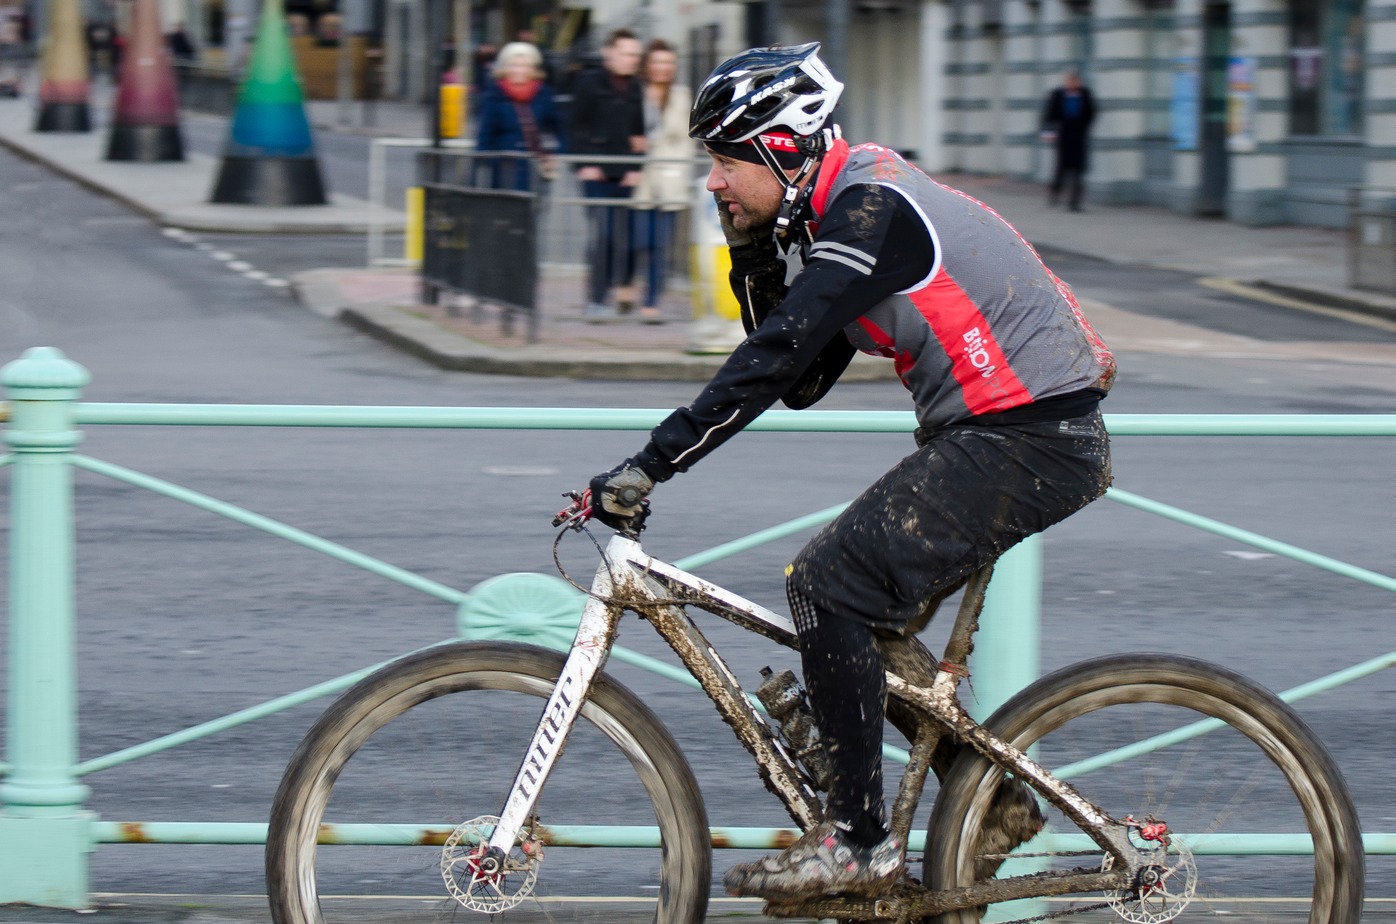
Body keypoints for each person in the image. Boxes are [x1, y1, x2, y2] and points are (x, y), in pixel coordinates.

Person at [586, 43, 1116, 901]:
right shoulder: (845, 213)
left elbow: (776, 356)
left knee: (826, 586)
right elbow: (802, 379)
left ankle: (858, 841)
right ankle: (1000, 807)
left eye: (724, 160)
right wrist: (751, 251)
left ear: (783, 149)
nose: (712, 182)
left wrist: (652, 464)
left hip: (1029, 437)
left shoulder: (872, 212)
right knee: (854, 611)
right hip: (1000, 433)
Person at [568, 28, 646, 321]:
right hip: (596, 174)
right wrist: (584, 164)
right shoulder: (589, 82)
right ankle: (597, 297)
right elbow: (575, 126)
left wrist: (636, 167)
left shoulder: (636, 87)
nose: (631, 60)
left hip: (625, 174)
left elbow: (640, 134)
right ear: (609, 53)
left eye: (636, 56)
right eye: (626, 54)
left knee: (625, 237)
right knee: (604, 235)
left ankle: (623, 287)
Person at [628, 38, 693, 323]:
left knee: (659, 244)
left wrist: (682, 174)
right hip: (639, 178)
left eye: (668, 62)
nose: (663, 68)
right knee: (638, 240)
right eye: (657, 62)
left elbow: (686, 138)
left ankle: (651, 300)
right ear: (647, 66)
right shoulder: (636, 93)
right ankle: (628, 284)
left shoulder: (681, 95)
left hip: (669, 178)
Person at [474, 41, 563, 191]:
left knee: (535, 211)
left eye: (524, 65)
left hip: (535, 171)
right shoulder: (494, 95)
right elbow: (485, 135)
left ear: (533, 69)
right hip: (504, 171)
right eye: (513, 65)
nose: (519, 70)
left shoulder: (544, 94)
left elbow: (560, 128)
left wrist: (557, 155)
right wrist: (483, 169)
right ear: (505, 68)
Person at [1040, 69, 1096, 212]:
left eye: (1075, 81)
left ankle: (1074, 202)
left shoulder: (1085, 94)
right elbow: (1049, 114)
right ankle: (1055, 193)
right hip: (1063, 136)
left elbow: (1091, 113)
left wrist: (1083, 128)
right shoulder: (1058, 95)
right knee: (1061, 168)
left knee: (1078, 170)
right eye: (1070, 81)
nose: (1072, 84)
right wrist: (1049, 131)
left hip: (1079, 137)